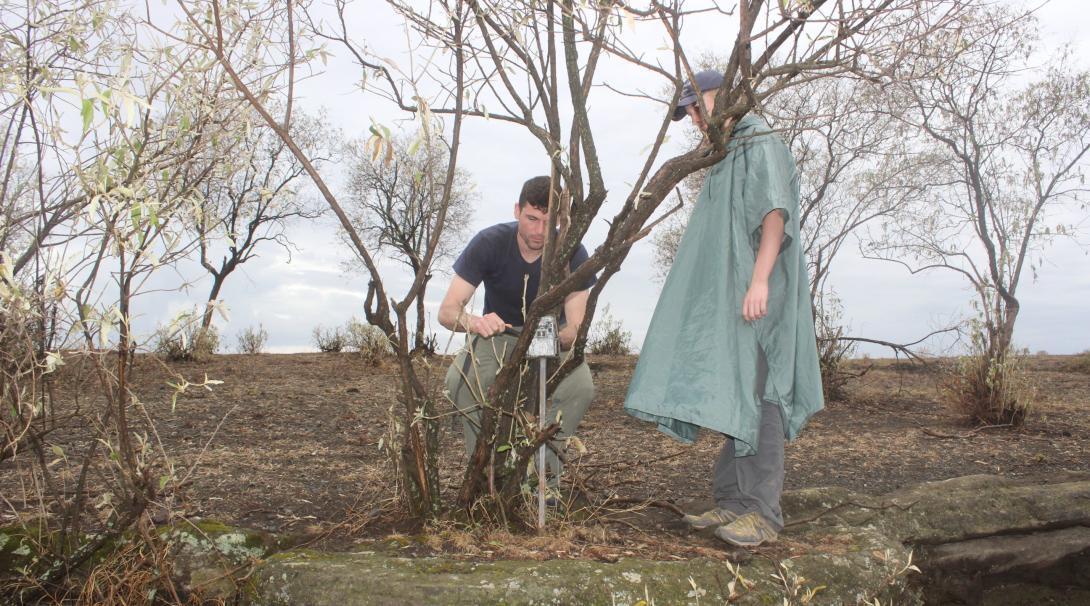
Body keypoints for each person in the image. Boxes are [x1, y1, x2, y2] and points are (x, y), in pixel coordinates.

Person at [623, 70, 824, 547]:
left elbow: (774, 213)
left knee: (765, 395)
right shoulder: (728, 149)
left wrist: (759, 281)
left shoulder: (761, 141)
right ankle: (733, 502)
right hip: (738, 296)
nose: (694, 117)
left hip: (761, 297)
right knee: (739, 393)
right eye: (688, 110)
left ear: (727, 95)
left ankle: (762, 513)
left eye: (698, 105)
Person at [439, 175, 596, 489]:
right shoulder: (490, 242)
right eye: (532, 219)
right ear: (517, 210)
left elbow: (576, 328)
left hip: (550, 338)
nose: (539, 231)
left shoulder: (573, 252)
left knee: (580, 387)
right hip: (497, 335)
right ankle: (486, 477)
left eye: (548, 222)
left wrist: (552, 337)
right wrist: (476, 323)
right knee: (461, 383)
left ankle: (542, 481)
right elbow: (447, 312)